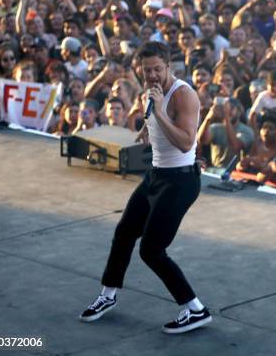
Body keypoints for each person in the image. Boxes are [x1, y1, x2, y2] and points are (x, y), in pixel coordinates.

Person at [79, 42, 212, 334]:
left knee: (152, 250)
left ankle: (195, 308)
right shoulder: (150, 94)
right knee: (124, 233)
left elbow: (186, 142)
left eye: (157, 69)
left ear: (168, 67)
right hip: (156, 176)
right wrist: (144, 129)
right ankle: (107, 295)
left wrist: (160, 115)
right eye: (146, 70)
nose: (152, 75)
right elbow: (155, 121)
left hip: (180, 182)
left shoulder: (183, 95)